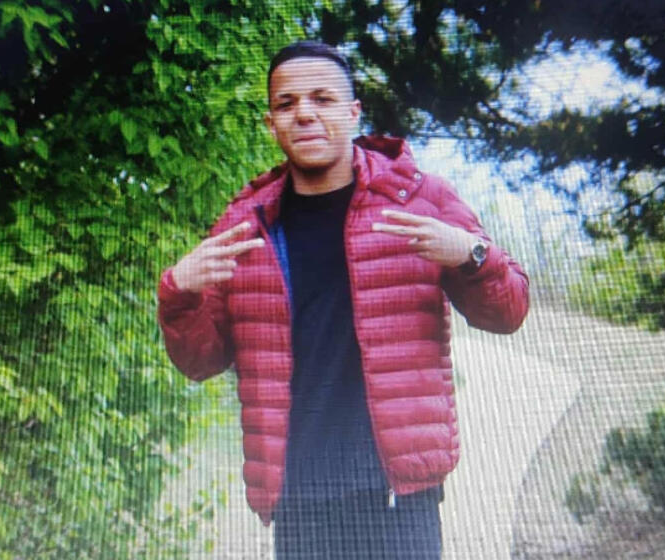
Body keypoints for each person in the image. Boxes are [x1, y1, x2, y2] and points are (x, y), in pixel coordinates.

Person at [157, 41, 529, 559]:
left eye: (322, 99)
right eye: (286, 103)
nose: (305, 114)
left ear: (353, 112)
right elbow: (200, 362)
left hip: (398, 492)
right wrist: (178, 293)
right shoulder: (245, 224)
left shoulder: (420, 198)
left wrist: (472, 254)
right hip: (298, 497)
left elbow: (508, 313)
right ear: (271, 123)